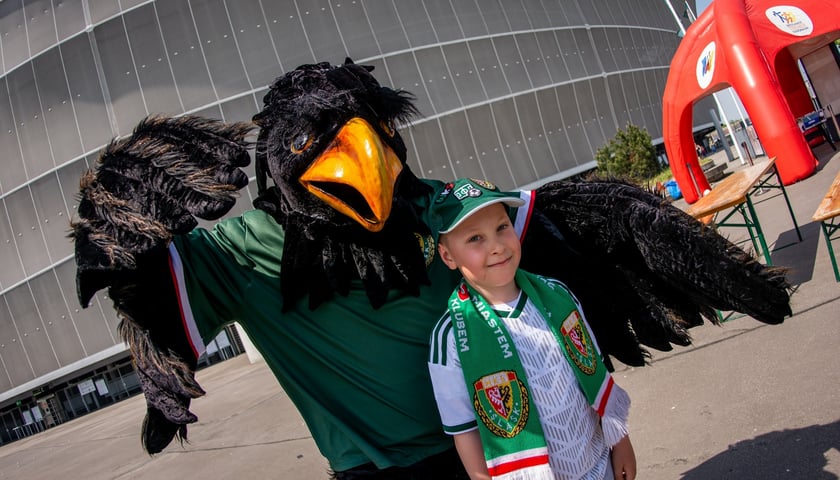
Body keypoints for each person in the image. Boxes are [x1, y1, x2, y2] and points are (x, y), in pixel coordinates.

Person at [427, 178, 637, 480]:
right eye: (475, 239)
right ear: (448, 256)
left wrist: (621, 441)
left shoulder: (558, 295)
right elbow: (465, 431)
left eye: (502, 227)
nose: (497, 246)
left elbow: (594, 374)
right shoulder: (450, 338)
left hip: (598, 462)